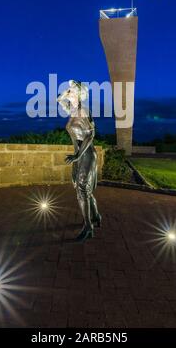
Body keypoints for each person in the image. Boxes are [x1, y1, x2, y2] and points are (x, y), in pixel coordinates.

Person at [57, 80, 101, 242]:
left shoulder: (83, 111)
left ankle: (88, 226)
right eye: (69, 90)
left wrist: (77, 156)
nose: (69, 92)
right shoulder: (73, 110)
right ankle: (96, 216)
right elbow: (58, 100)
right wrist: (66, 93)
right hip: (79, 153)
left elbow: (90, 135)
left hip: (86, 154)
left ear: (79, 94)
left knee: (81, 190)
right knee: (82, 187)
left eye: (72, 90)